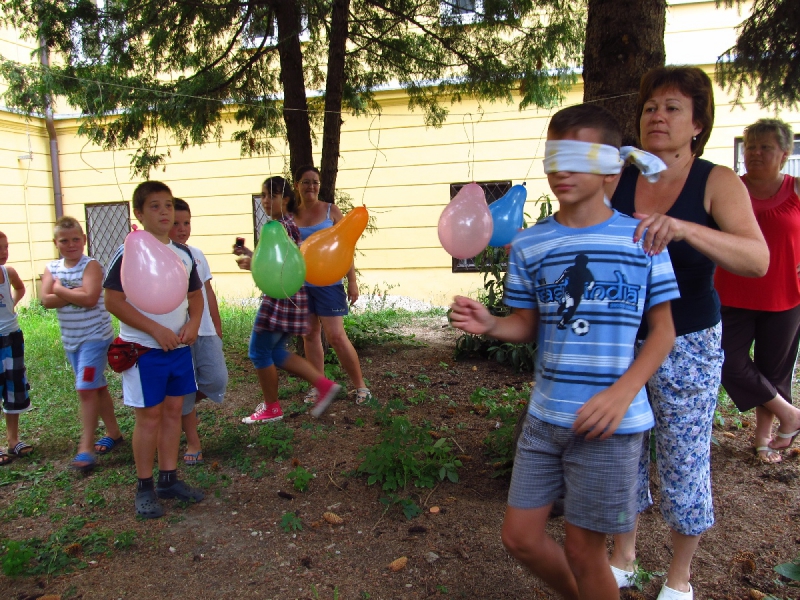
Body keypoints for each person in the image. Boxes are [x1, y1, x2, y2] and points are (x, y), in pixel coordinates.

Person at [450, 103, 680, 600]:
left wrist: (622, 394)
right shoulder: (530, 245)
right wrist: (491, 324)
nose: (562, 171)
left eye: (577, 158)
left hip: (610, 426)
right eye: (555, 158)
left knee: (584, 551)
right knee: (520, 538)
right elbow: (528, 323)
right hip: (545, 418)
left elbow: (663, 332)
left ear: (611, 169)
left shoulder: (642, 238)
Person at [609, 66, 769, 599]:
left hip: (688, 341)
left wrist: (683, 228)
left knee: (683, 455)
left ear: (698, 123)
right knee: (622, 447)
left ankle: (680, 577)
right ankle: (623, 555)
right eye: (650, 107)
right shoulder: (619, 175)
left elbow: (757, 259)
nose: (657, 116)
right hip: (619, 337)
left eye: (672, 108)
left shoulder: (715, 180)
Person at [103, 181, 205, 518]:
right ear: (139, 213)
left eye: (168, 205)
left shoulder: (183, 254)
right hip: (143, 351)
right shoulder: (128, 252)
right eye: (155, 206)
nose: (164, 212)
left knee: (174, 412)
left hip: (178, 349)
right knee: (149, 418)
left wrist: (193, 323)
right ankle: (144, 486)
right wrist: (155, 330)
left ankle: (168, 479)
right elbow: (113, 301)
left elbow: (195, 296)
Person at [715, 119, 800, 464]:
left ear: (784, 153)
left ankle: (764, 438)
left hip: (784, 295)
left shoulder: (796, 189)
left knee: (774, 369)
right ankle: (790, 414)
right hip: (730, 292)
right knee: (725, 359)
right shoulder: (729, 189)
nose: (755, 153)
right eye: (750, 146)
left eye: (765, 147)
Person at [235, 176, 340, 422]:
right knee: (273, 351)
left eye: (271, 196)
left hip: (279, 299)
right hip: (289, 296)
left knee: (259, 351)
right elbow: (279, 259)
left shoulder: (280, 227)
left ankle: (273, 407)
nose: (265, 201)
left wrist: (254, 264)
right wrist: (252, 256)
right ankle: (323, 385)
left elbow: (284, 265)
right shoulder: (285, 225)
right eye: (263, 195)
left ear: (286, 199)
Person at [41, 217, 123, 472]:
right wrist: (75, 292)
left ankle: (85, 449)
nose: (71, 245)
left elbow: (89, 298)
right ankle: (114, 432)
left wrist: (60, 290)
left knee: (85, 389)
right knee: (96, 387)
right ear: (56, 243)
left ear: (84, 240)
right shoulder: (52, 268)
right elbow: (45, 300)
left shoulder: (92, 266)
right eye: (64, 241)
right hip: (72, 341)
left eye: (76, 239)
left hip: (95, 338)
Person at [291, 165, 371, 405]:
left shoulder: (330, 210)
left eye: (315, 182)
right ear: (297, 185)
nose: (311, 186)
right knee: (310, 335)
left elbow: (346, 246)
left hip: (329, 284)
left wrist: (352, 281)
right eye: (306, 182)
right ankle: (320, 386)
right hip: (301, 285)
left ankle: (361, 386)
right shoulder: (290, 215)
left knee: (335, 336)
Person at [169, 198, 229, 466]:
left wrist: (216, 323)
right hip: (177, 334)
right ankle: (193, 441)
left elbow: (207, 291)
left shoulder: (197, 254)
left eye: (187, 223)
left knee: (216, 379)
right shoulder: (160, 257)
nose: (182, 229)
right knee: (183, 387)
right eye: (176, 223)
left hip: (204, 329)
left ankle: (178, 405)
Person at [0, 231, 34, 466]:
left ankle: (13, 440)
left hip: (12, 338)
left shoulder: (8, 272)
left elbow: (20, 288)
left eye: (6, 246)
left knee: (14, 389)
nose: (4, 252)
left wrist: (12, 303)